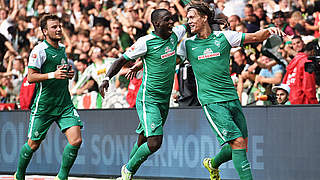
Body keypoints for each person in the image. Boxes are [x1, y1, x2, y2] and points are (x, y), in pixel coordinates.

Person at [177, 2, 285, 180]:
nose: (188, 21)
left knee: (240, 145)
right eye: (187, 18)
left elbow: (255, 37)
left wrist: (271, 29)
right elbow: (167, 62)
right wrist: (143, 62)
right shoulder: (187, 45)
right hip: (211, 101)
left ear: (204, 18)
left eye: (191, 17)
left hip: (231, 98)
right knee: (238, 142)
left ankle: (212, 164)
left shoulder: (224, 37)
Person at [99, 9, 188, 180]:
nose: (171, 22)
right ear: (157, 24)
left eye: (172, 19)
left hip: (164, 100)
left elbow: (190, 24)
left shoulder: (175, 34)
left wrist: (211, 16)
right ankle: (128, 170)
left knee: (142, 140)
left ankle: (126, 175)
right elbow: (121, 60)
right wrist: (106, 78)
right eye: (167, 20)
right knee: (154, 142)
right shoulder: (145, 42)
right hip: (149, 99)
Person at [14, 14, 83, 180]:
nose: (59, 29)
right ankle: (19, 175)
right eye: (54, 27)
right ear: (45, 31)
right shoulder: (39, 50)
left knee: (76, 140)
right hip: (44, 105)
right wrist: (53, 75)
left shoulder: (62, 48)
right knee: (33, 144)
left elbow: (60, 73)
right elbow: (30, 77)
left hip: (64, 103)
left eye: (59, 26)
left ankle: (62, 177)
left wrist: (68, 74)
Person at [282, 35, 318, 104]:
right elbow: (308, 87)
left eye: (298, 42)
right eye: (294, 44)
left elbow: (285, 83)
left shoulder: (293, 62)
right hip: (303, 102)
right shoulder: (306, 61)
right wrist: (314, 103)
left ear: (303, 43)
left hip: (292, 101)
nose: (297, 45)